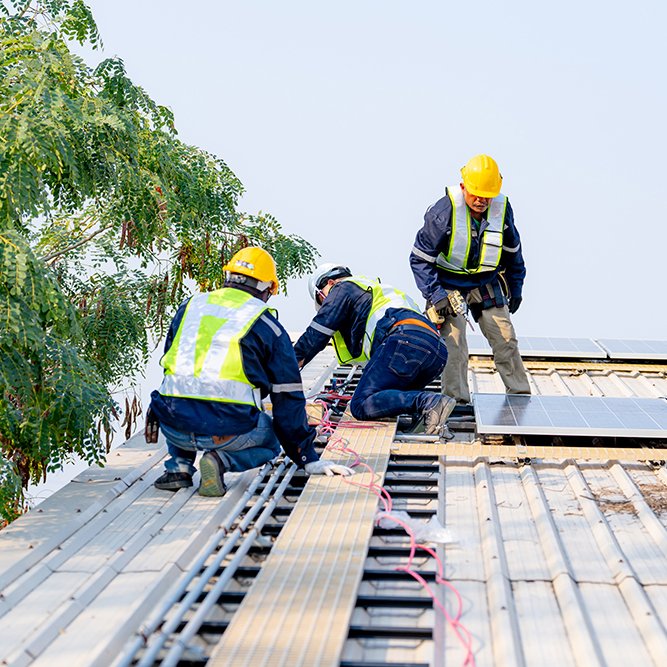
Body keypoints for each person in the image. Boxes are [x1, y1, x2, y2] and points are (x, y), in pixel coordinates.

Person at [146, 247, 353, 495]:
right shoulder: (267, 325)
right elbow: (287, 398)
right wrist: (307, 458)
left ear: (228, 278)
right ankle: (220, 461)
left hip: (172, 425)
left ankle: (178, 468)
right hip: (226, 432)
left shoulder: (189, 307)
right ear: (267, 290)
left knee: (185, 396)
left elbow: (173, 367)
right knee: (273, 438)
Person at [410, 154, 530, 404]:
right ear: (464, 187)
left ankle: (520, 399)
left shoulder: (502, 210)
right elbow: (419, 259)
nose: (481, 200)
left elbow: (513, 254)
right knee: (453, 343)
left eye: (487, 194)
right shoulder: (444, 213)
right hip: (447, 283)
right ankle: (456, 401)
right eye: (476, 193)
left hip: (486, 280)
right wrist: (435, 295)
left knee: (505, 337)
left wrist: (516, 288)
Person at [293, 264, 455, 434]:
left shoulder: (342, 288)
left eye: (323, 300)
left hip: (403, 341)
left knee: (361, 403)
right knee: (387, 396)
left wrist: (289, 365)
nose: (326, 304)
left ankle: (429, 402)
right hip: (436, 352)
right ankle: (428, 413)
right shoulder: (379, 292)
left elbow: (318, 332)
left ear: (331, 283)